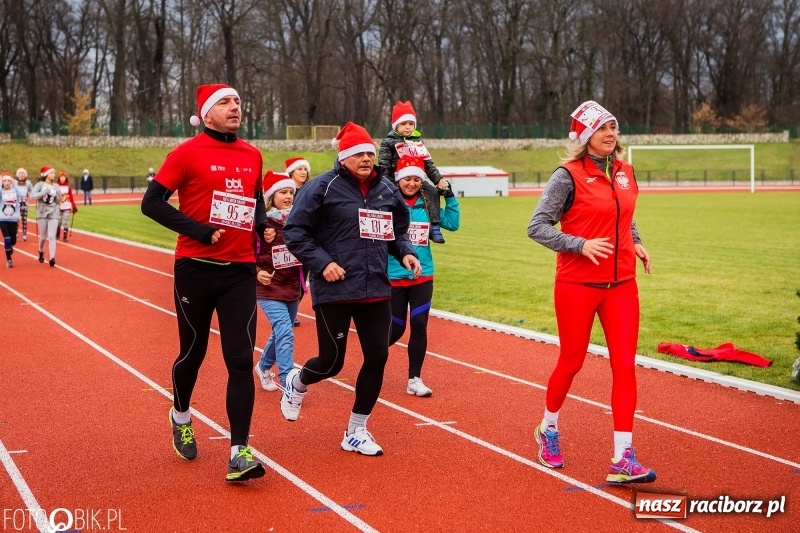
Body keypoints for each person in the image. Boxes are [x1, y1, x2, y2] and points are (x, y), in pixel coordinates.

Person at [141, 83, 267, 482]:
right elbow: (151, 202)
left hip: (240, 271)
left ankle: (238, 451)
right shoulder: (186, 153)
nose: (235, 107)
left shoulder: (252, 154)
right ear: (207, 113)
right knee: (192, 353)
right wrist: (198, 230)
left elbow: (256, 200)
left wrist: (262, 225)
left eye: (238, 101)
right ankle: (180, 415)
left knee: (240, 358)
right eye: (226, 102)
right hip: (195, 269)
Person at [526, 100, 654, 484]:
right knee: (572, 361)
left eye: (613, 127)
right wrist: (579, 245)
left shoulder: (625, 171)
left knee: (624, 366)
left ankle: (623, 458)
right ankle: (549, 428)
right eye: (602, 129)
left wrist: (636, 241)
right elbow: (537, 226)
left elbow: (624, 214)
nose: (610, 134)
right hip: (577, 285)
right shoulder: (567, 176)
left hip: (622, 286)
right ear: (585, 136)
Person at [282, 122, 421, 456]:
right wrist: (322, 263)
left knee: (378, 355)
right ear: (343, 157)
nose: (366, 159)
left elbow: (398, 230)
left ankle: (356, 430)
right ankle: (297, 381)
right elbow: (295, 231)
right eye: (359, 154)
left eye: (370, 153)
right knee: (332, 362)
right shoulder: (322, 187)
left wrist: (405, 252)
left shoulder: (386, 188)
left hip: (375, 287)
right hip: (336, 288)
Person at [387, 156, 460, 397]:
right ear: (398, 179)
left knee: (419, 326)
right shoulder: (388, 202)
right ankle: (372, 360)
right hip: (393, 276)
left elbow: (452, 223)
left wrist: (449, 196)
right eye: (407, 179)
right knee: (395, 330)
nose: (412, 183)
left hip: (423, 275)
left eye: (417, 179)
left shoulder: (428, 204)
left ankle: (414, 379)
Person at [253, 171, 302, 393]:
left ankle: (263, 366)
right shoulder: (261, 224)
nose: (289, 196)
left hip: (292, 286)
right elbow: (243, 253)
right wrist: (256, 272)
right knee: (285, 331)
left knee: (282, 331)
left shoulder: (299, 220)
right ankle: (288, 380)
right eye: (283, 192)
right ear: (271, 196)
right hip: (267, 288)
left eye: (291, 192)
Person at [379, 100, 449, 244]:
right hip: (395, 181)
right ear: (395, 125)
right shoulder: (388, 143)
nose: (408, 127)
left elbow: (428, 164)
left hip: (417, 179)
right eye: (403, 124)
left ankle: (434, 226)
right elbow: (384, 165)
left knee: (433, 192)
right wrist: (387, 184)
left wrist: (438, 179)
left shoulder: (418, 142)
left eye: (411, 124)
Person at [284, 156, 312, 327]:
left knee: (302, 277)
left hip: (305, 238)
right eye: (299, 169)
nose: (303, 172)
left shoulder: (310, 189)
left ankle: (292, 311)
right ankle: (285, 312)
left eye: (305, 169)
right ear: (291, 172)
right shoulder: (283, 189)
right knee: (287, 276)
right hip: (285, 240)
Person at [30, 166, 60, 267]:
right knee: (43, 237)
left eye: (54, 173)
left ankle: (52, 258)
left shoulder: (56, 186)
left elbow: (58, 201)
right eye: (51, 173)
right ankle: (41, 250)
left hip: (53, 212)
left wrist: (58, 195)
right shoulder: (40, 184)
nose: (54, 175)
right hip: (42, 212)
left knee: (51, 236)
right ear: (46, 175)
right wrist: (44, 192)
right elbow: (32, 195)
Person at [0, 172, 23, 268]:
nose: (6, 183)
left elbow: (22, 194)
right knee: (7, 238)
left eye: (8, 181)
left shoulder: (15, 191)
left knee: (13, 241)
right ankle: (9, 259)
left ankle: (10, 247)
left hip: (13, 219)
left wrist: (15, 184)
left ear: (11, 182)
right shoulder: (1, 192)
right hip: (2, 218)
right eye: (4, 181)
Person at [56, 171, 78, 242]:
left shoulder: (68, 186)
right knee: (58, 221)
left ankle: (65, 236)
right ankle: (57, 233)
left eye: (64, 177)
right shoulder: (56, 186)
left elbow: (71, 196)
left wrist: (73, 205)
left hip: (67, 205)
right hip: (59, 206)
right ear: (59, 178)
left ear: (66, 178)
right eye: (61, 177)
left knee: (66, 221)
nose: (63, 178)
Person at [14, 168, 32, 241]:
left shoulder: (28, 183)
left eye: (23, 173)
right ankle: (16, 233)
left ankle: (24, 234)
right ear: (18, 175)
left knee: (24, 219)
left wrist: (32, 195)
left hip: (24, 204)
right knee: (16, 219)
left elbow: (32, 191)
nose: (22, 175)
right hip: (16, 204)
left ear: (25, 175)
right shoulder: (14, 182)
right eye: (20, 173)